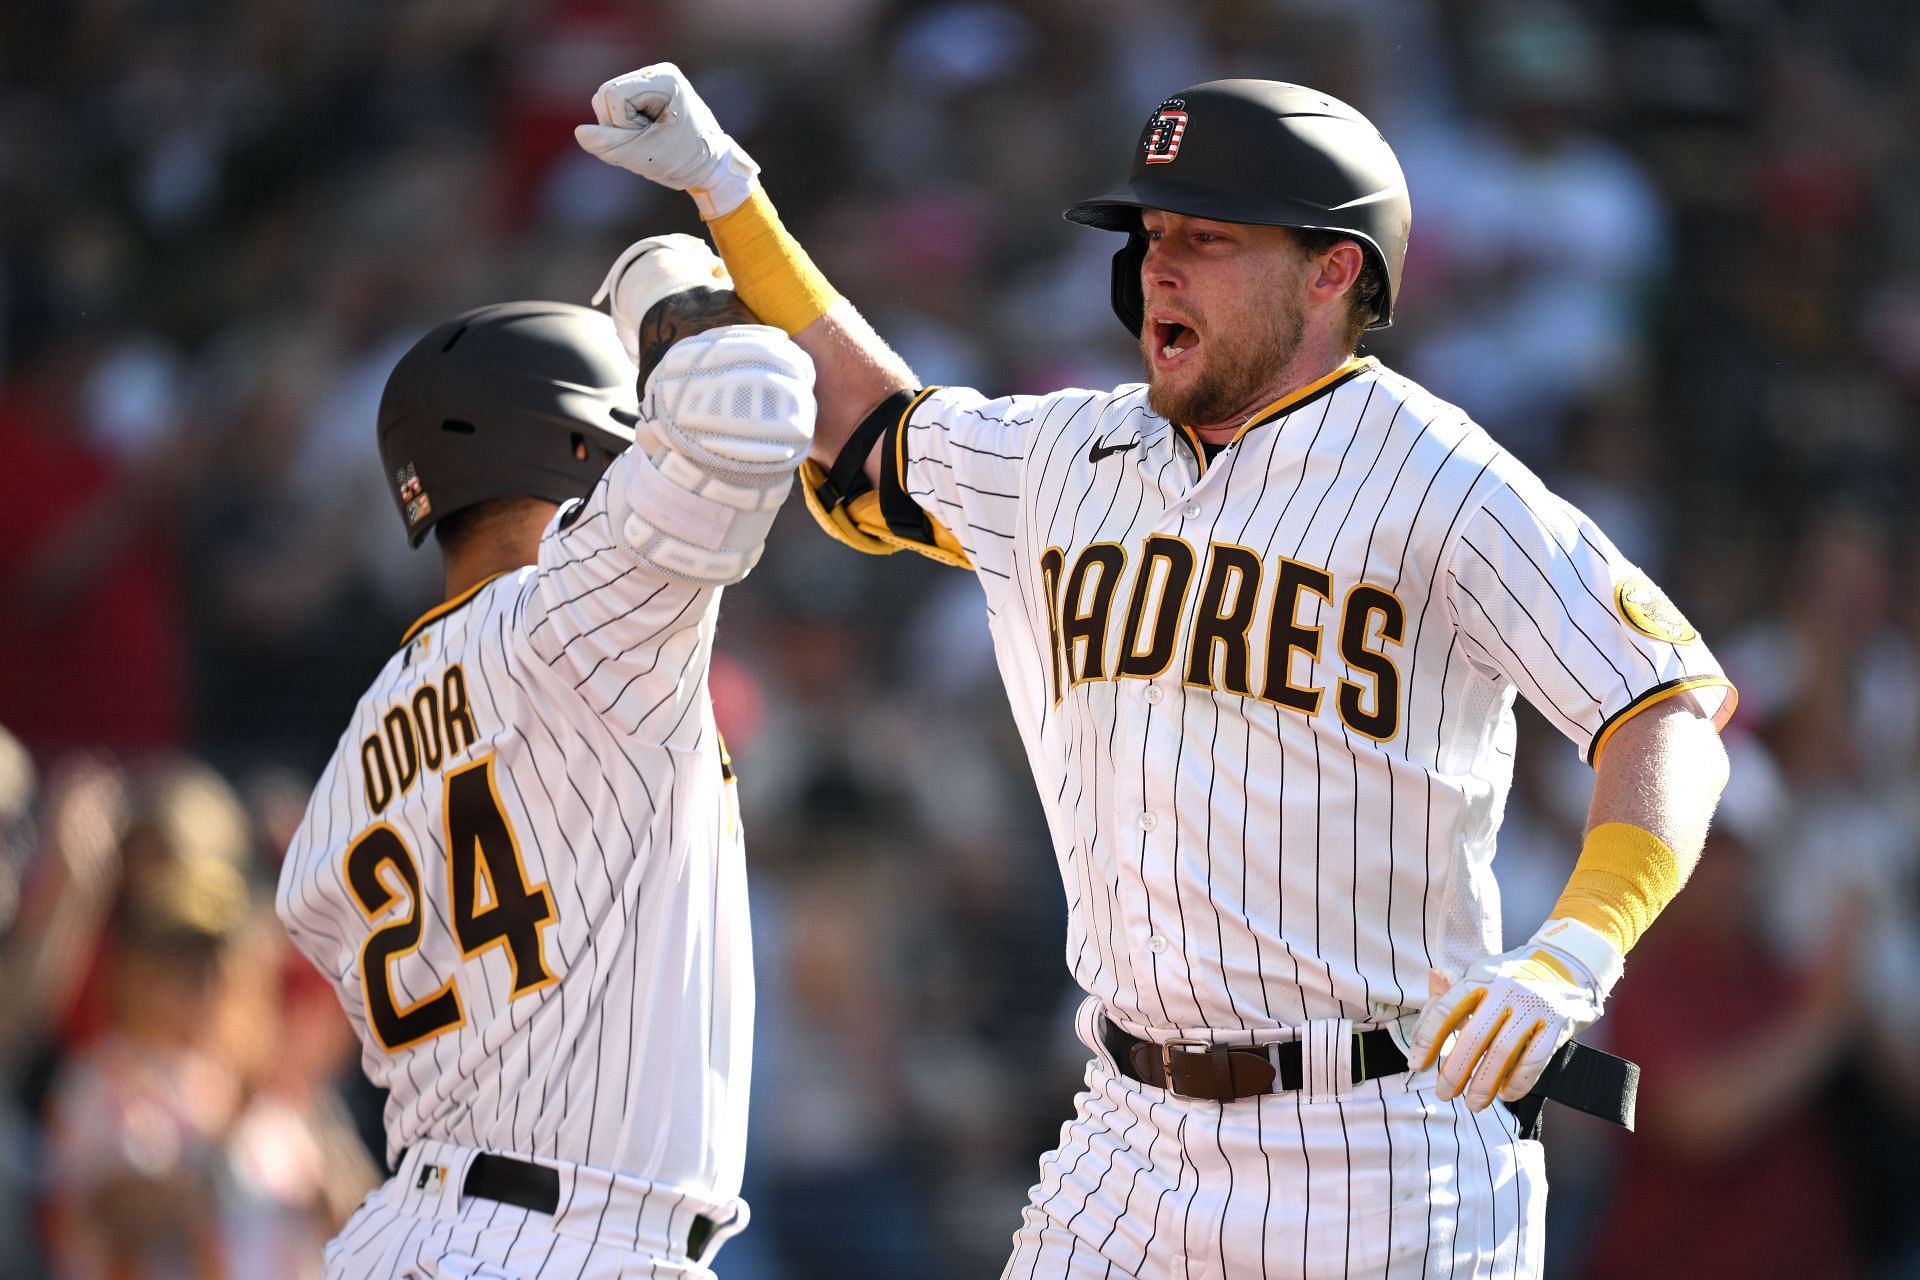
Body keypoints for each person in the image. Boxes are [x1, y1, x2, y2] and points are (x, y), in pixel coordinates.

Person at [578, 68, 1739, 1276]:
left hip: (1384, 1135)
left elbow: (1667, 709)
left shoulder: (1441, 478)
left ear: (1332, 269)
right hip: (1128, 1131)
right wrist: (728, 190)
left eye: (1208, 236)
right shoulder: (1063, 454)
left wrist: (1575, 951)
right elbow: (865, 423)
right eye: (1150, 234)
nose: (1158, 265)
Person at [273, 250, 816, 1278]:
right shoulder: (578, 616)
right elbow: (756, 400)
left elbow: (306, 899)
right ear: (579, 437)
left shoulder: (354, 749)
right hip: (574, 1239)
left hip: (412, 1230)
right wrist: (668, 285)